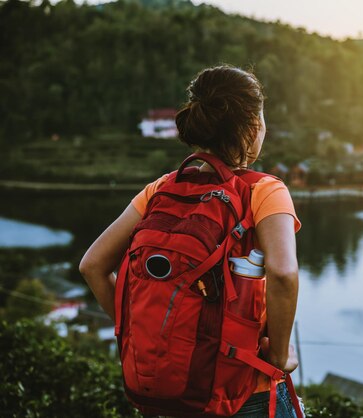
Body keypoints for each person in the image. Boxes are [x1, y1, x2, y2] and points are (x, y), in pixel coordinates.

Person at [79, 65, 302, 417]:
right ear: (254, 126)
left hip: (179, 383)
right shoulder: (264, 190)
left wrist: (140, 331)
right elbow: (284, 274)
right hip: (243, 390)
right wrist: (279, 355)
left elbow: (92, 266)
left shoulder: (162, 188)